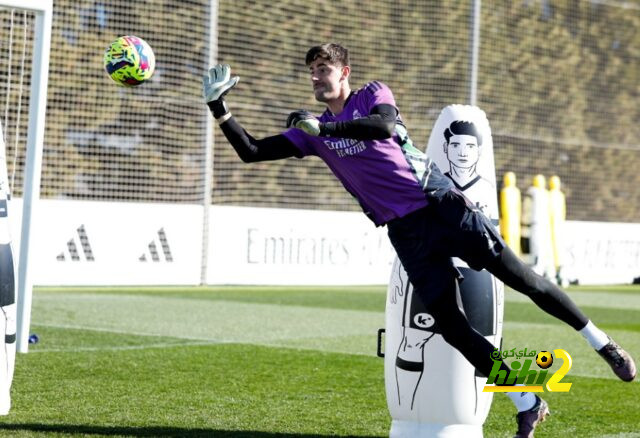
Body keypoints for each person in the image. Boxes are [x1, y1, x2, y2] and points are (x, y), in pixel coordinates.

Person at [202, 43, 636, 437]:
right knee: (449, 325)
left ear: (345, 71)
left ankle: (603, 344)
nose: (316, 77)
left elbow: (383, 129)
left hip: (442, 207)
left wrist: (325, 130)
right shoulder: (313, 131)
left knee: (526, 281)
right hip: (406, 232)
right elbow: (252, 152)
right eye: (311, 71)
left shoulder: (370, 94)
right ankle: (526, 400)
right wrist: (219, 107)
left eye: (323, 68)